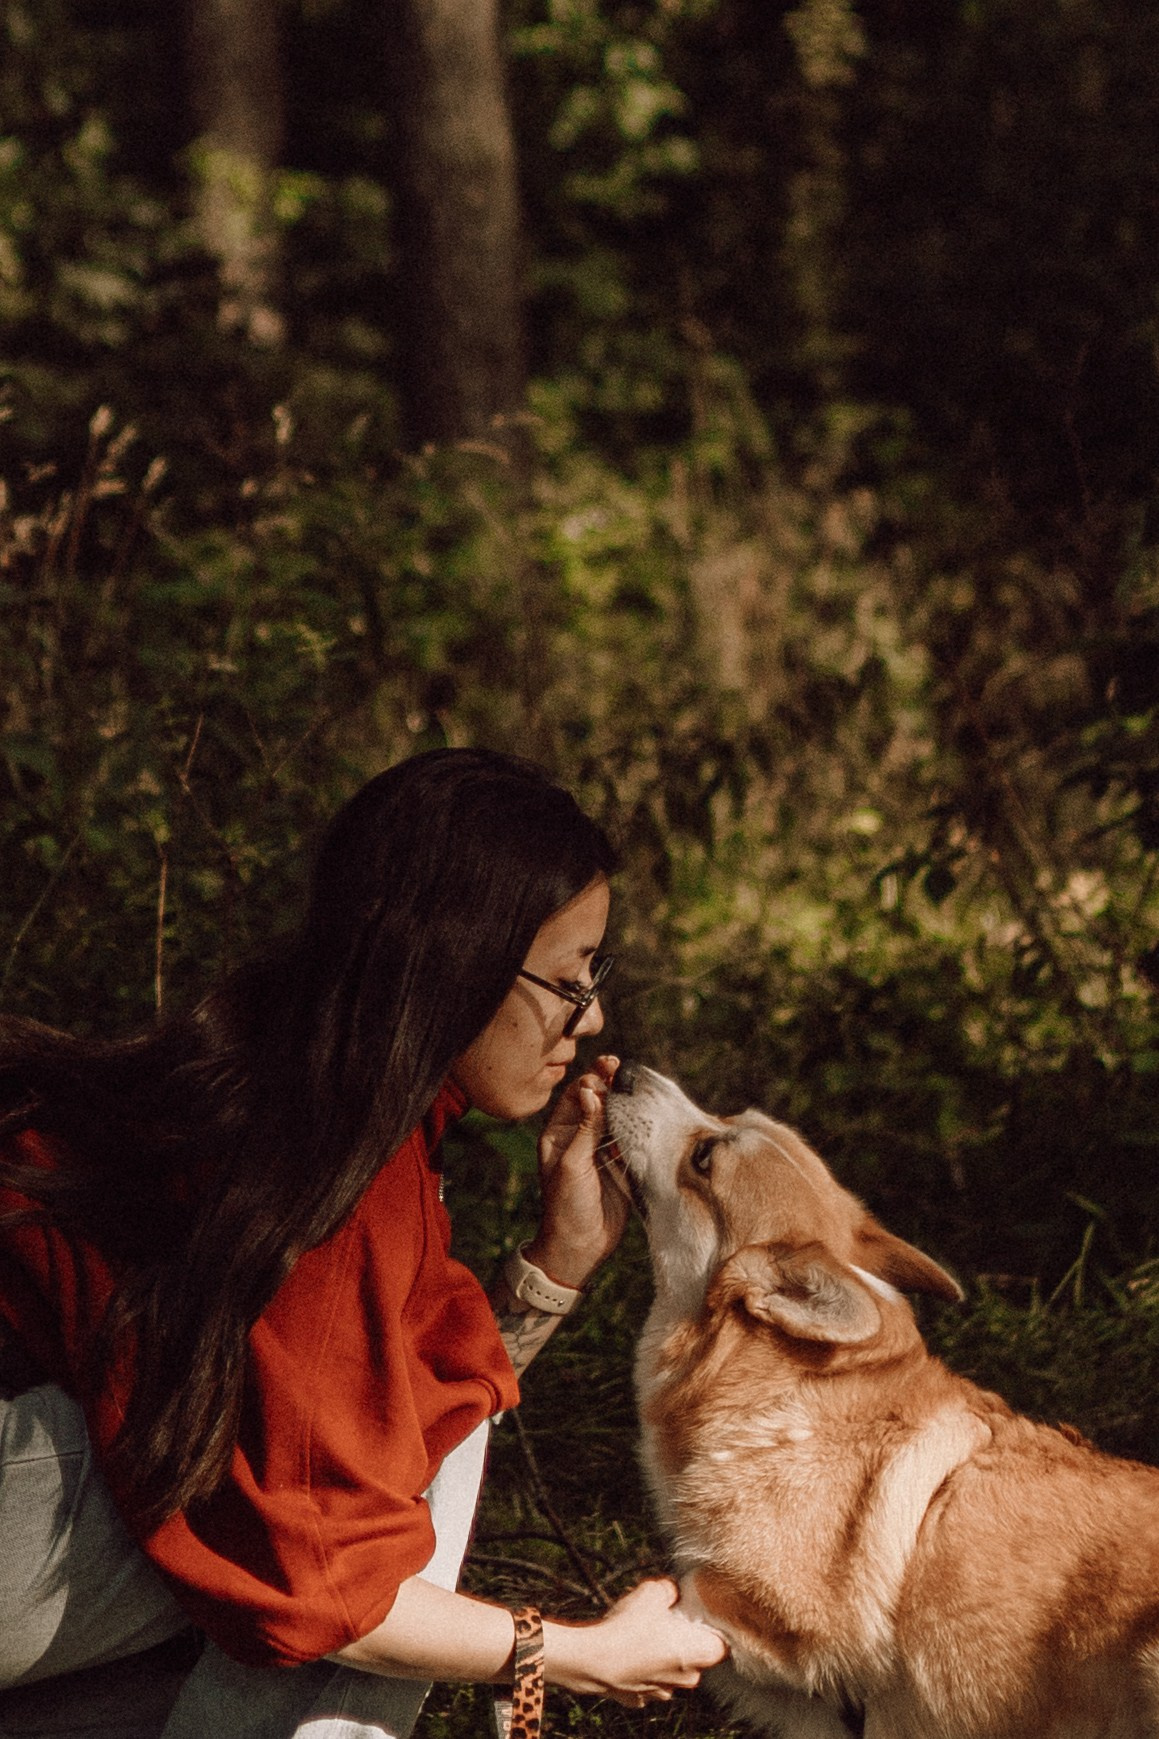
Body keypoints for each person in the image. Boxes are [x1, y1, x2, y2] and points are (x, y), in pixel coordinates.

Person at [0, 747, 726, 1738]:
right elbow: (329, 1569)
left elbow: (379, 1405)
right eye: (565, 979)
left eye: (595, 973)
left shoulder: (308, 1067)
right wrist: (577, 1653)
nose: (590, 1015)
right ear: (453, 962)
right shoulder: (329, 1172)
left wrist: (555, 1265)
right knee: (345, 1530)